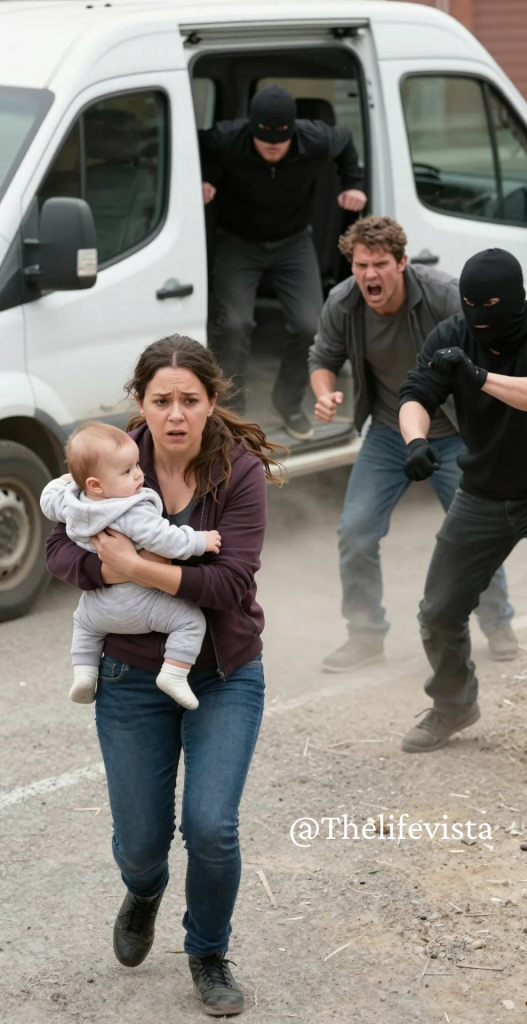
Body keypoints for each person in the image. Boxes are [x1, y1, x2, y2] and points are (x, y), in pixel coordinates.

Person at [45, 336, 282, 1016]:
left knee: (211, 828)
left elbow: (230, 582)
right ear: (140, 402)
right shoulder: (108, 459)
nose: (175, 414)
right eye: (161, 400)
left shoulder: (238, 472)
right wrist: (105, 568)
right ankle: (144, 889)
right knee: (142, 845)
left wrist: (136, 568)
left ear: (211, 402)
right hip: (128, 675)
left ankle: (207, 952)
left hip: (224, 673)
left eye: (189, 400)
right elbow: (59, 548)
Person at [308, 217, 517, 673]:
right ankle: (365, 637)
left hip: (455, 431)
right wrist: (325, 395)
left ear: (402, 263)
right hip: (389, 432)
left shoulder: (444, 295)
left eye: (380, 264)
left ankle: (497, 622)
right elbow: (323, 357)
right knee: (355, 533)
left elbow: (492, 349)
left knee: (476, 531)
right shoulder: (343, 302)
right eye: (361, 265)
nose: (369, 274)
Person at [398, 248, 527, 779]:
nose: (479, 315)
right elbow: (416, 392)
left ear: (516, 298)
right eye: (471, 303)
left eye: (491, 304)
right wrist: (415, 440)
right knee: (438, 608)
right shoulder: (451, 334)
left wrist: (477, 375)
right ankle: (454, 704)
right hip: (483, 491)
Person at [200, 83, 367, 440]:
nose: (272, 146)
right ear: (251, 129)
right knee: (234, 325)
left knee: (311, 325)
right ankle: (232, 412)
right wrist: (206, 178)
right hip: (238, 241)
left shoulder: (316, 138)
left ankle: (287, 401)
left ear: (293, 130)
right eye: (264, 139)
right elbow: (197, 145)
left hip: (293, 242)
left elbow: (345, 141)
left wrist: (352, 183)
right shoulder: (228, 137)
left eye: (281, 139)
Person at [40, 422, 222, 708]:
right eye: (126, 471)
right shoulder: (131, 510)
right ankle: (174, 674)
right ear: (95, 484)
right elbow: (166, 540)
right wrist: (201, 540)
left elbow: (47, 499)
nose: (138, 474)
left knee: (83, 624)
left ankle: (84, 674)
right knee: (190, 621)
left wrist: (67, 481)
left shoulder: (70, 502)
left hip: (98, 607)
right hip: (141, 605)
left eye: (136, 465)